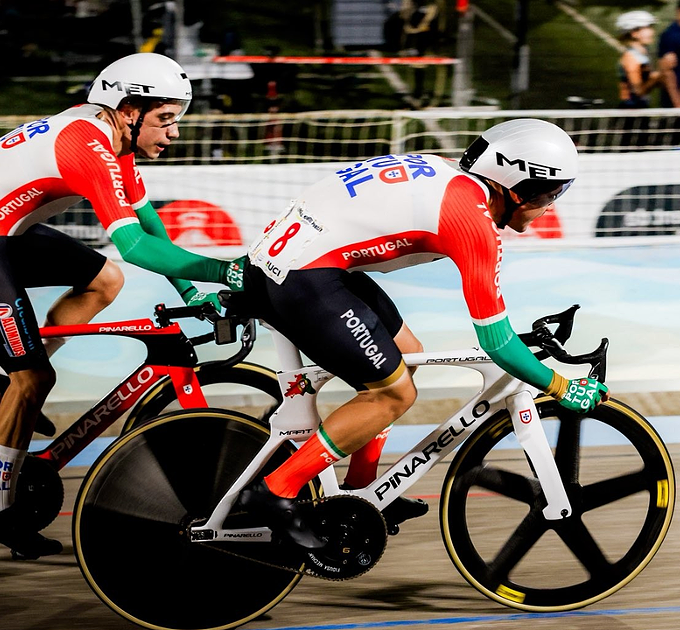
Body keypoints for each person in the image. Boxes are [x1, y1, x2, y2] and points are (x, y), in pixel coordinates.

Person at [0, 53, 245, 558]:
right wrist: (227, 272)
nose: (175, 132)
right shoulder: (87, 145)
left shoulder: (115, 136)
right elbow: (136, 245)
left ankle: (18, 380)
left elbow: (146, 221)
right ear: (129, 110)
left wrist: (190, 290)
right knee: (33, 381)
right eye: (166, 119)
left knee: (103, 279)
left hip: (4, 235)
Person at [232, 120, 609, 547]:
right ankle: (276, 490)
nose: (551, 206)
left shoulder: (454, 175)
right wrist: (561, 386)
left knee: (407, 352)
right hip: (307, 277)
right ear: (518, 188)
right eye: (550, 194)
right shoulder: (473, 218)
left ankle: (360, 492)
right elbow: (497, 341)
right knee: (394, 394)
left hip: (295, 263)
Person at [616, 10, 678, 109]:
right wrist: (659, 74)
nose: (652, 31)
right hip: (630, 111)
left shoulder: (642, 54)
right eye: (648, 28)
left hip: (640, 108)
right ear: (634, 33)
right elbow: (638, 91)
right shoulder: (630, 57)